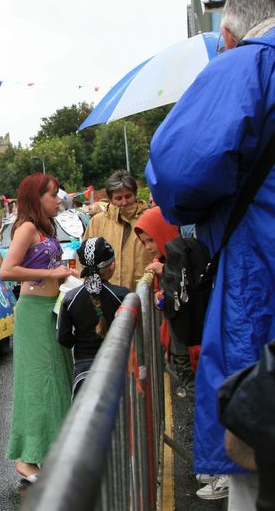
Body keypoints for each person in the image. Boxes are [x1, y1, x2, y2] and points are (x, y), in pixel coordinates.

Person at [146, 0, 275, 506]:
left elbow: (178, 179)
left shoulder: (241, 67)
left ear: (228, 32)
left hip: (262, 297)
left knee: (267, 467)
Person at [0, 173, 77, 483]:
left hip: (51, 310)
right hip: (34, 313)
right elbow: (7, 270)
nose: (58, 200)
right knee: (39, 384)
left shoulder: (44, 227)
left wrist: (61, 276)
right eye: (53, 195)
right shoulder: (27, 227)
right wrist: (51, 274)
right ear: (36, 198)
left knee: (57, 381)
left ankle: (52, 454)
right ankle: (28, 460)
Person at [134, 207, 199, 398]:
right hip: (179, 338)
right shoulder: (163, 259)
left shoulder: (184, 258)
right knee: (188, 384)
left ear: (165, 233)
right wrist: (159, 295)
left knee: (194, 389)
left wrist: (167, 273)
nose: (147, 246)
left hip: (189, 338)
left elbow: (191, 289)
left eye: (151, 240)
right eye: (144, 242)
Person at [57, 237, 128, 397]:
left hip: (84, 368)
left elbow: (63, 339)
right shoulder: (123, 296)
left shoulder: (70, 298)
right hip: (116, 365)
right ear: (112, 265)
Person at [82, 170, 152, 291]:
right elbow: (85, 259)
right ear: (110, 199)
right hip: (107, 295)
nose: (124, 202)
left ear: (135, 194)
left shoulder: (150, 218)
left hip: (144, 294)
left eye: (128, 196)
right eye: (118, 198)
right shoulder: (97, 222)